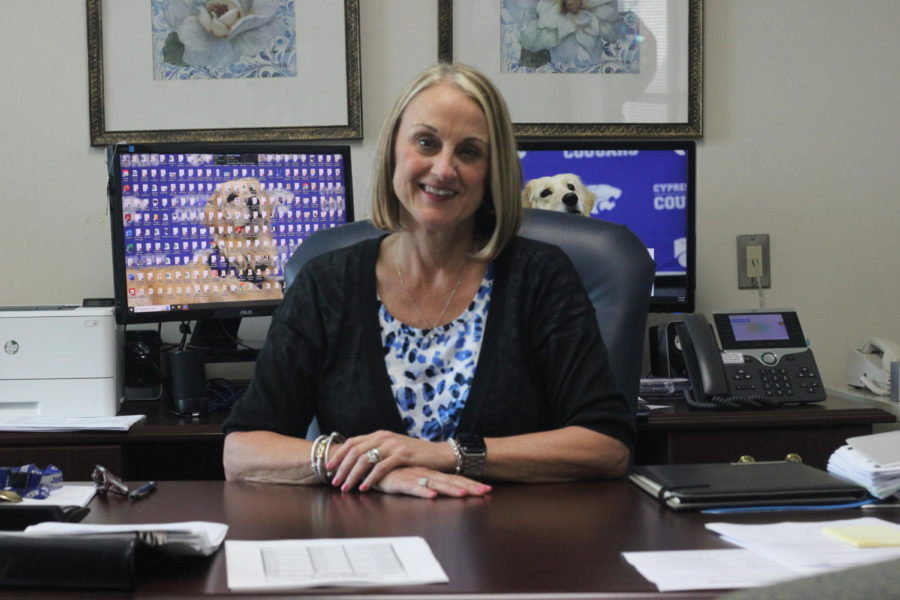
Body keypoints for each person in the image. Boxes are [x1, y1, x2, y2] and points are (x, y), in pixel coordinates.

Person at [222, 63, 635, 498]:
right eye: (426, 142)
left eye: (470, 152)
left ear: (493, 173)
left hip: (511, 548)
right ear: (393, 151)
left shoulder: (541, 276)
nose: (443, 169)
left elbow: (606, 447)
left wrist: (447, 455)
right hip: (368, 549)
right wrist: (370, 466)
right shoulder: (326, 282)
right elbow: (242, 451)